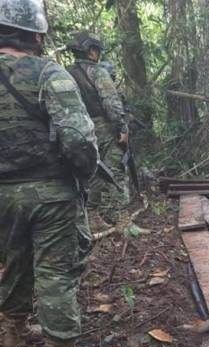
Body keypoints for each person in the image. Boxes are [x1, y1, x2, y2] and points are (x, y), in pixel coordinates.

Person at [0, 0, 103, 347]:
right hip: (51, 193)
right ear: (35, 34)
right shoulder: (49, 73)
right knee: (55, 273)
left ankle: (11, 333)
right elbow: (77, 137)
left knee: (14, 260)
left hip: (3, 195)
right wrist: (83, 175)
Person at [66, 31, 130, 230]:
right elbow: (111, 102)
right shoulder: (97, 71)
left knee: (92, 172)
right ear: (90, 50)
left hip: (77, 130)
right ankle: (123, 221)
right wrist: (122, 128)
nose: (98, 54)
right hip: (102, 127)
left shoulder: (63, 72)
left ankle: (93, 218)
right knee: (116, 170)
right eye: (97, 49)